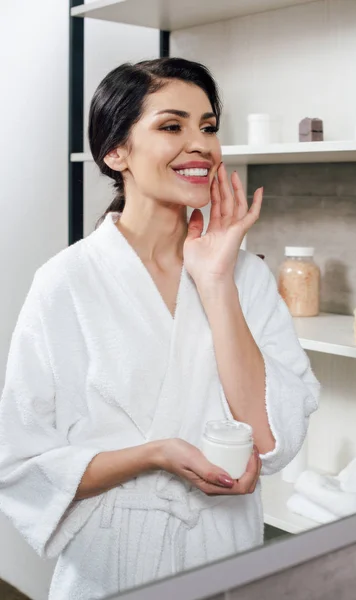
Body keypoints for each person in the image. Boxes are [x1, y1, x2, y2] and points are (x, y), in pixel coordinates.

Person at [0, 58, 320, 600]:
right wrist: (151, 456)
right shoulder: (67, 282)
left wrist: (216, 280)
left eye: (209, 126)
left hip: (224, 558)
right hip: (112, 569)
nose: (200, 144)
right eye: (173, 126)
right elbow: (21, 460)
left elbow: (271, 441)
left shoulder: (246, 276)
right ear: (115, 151)